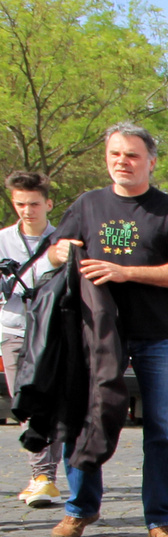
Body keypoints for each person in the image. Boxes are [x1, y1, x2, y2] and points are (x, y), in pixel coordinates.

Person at [46, 123, 168, 537]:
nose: (123, 162)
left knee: (163, 428)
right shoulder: (87, 205)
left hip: (157, 334)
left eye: (132, 155)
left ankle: (162, 519)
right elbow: (54, 251)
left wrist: (124, 271)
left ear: (150, 162)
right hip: (94, 333)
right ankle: (79, 510)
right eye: (115, 154)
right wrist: (62, 251)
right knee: (84, 417)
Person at [1, 172, 62, 507]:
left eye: (34, 204)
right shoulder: (2, 240)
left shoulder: (62, 239)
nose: (27, 210)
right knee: (23, 402)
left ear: (48, 203)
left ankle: (44, 476)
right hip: (13, 330)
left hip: (51, 333)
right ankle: (41, 475)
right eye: (20, 204)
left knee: (49, 403)